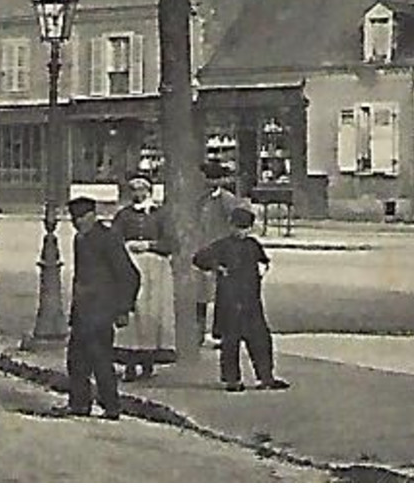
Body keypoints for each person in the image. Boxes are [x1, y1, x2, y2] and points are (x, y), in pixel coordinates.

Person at [45, 197, 139, 420]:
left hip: (102, 311)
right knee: (76, 360)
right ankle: (79, 404)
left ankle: (111, 406)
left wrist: (123, 308)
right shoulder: (81, 239)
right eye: (74, 220)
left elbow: (130, 275)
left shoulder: (108, 238)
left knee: (101, 359)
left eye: (81, 219)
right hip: (83, 311)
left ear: (91, 216)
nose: (77, 224)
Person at [194, 208, 289, 393]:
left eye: (245, 228)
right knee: (231, 341)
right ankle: (232, 379)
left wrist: (263, 268)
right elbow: (198, 258)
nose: (241, 232)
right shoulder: (221, 245)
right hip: (230, 299)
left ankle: (265, 376)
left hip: (251, 299)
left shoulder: (253, 245)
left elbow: (263, 261)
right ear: (231, 226)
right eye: (238, 227)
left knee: (260, 338)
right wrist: (217, 267)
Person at [111, 177, 176, 382]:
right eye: (134, 189)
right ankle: (130, 364)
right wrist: (125, 247)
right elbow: (113, 239)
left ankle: (148, 362)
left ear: (149, 191)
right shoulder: (123, 215)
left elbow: (171, 243)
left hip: (154, 268)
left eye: (142, 189)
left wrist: (149, 245)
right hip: (130, 264)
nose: (137, 193)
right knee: (133, 312)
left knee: (151, 313)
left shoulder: (160, 215)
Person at [199, 162, 250, 347]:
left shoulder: (228, 200)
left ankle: (224, 332)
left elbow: (239, 220)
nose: (210, 182)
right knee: (200, 295)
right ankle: (198, 333)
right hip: (203, 250)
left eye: (214, 179)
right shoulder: (200, 200)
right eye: (208, 179)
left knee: (225, 294)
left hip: (222, 251)